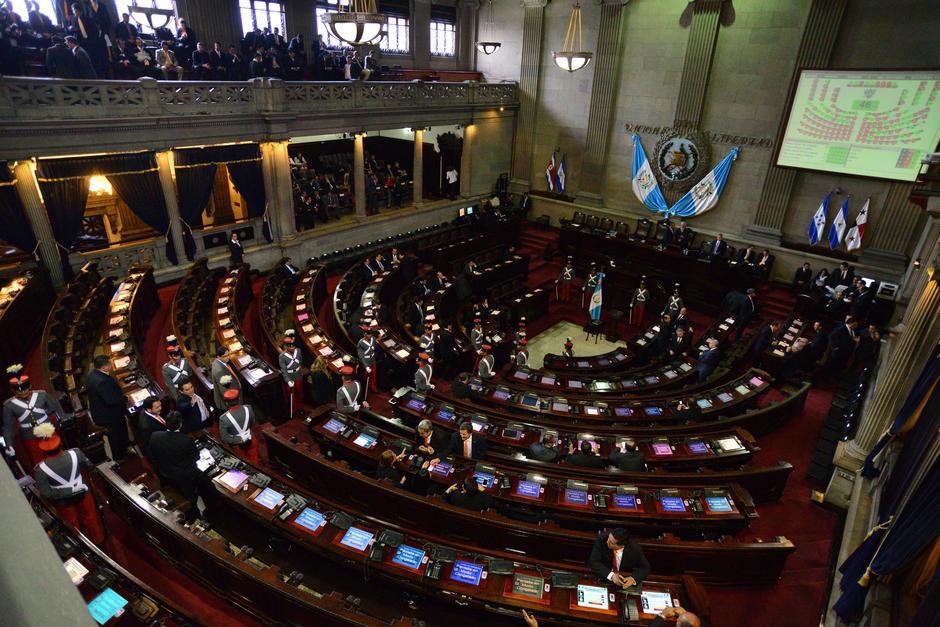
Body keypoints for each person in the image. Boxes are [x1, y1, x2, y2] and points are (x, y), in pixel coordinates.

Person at [32, 424, 104, 543]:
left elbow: (46, 493)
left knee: (72, 525)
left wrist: (65, 492)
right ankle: (98, 541)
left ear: (43, 449)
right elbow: (90, 466)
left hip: (63, 500)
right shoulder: (76, 453)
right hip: (82, 491)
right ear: (60, 443)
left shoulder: (40, 469)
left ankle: (81, 547)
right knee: (91, 519)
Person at [147, 411, 213, 525]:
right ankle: (193, 519)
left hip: (165, 474)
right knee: (191, 498)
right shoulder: (186, 440)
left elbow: (153, 456)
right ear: (180, 424)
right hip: (184, 477)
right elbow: (196, 457)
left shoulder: (155, 436)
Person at [4, 365, 66, 467]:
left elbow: (54, 408)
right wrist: (9, 444)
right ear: (13, 391)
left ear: (30, 386)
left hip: (49, 431)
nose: (23, 391)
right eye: (19, 390)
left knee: (59, 457)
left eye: (25, 388)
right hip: (30, 436)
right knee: (40, 462)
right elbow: (8, 427)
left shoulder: (42, 395)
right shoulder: (9, 405)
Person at [85, 355, 129, 461]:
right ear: (104, 367)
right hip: (110, 416)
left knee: (117, 436)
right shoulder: (103, 381)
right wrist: (125, 398)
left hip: (99, 411)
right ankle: (120, 457)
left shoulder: (92, 374)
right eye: (109, 364)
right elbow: (110, 400)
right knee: (117, 437)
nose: (111, 365)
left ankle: (122, 452)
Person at [219, 388, 258, 464]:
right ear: (239, 399)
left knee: (243, 465)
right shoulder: (248, 408)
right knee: (255, 463)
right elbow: (252, 422)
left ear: (226, 403)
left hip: (237, 446)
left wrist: (238, 439)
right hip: (250, 438)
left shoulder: (223, 418)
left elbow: (224, 437)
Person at [279, 330, 304, 411]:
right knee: (292, 395)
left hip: (298, 375)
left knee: (300, 392)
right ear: (286, 346)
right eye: (290, 347)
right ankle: (293, 410)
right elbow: (284, 370)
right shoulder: (282, 356)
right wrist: (288, 380)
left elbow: (300, 362)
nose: (292, 348)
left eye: (293, 346)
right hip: (290, 377)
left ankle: (300, 407)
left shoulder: (298, 350)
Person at [357, 327, 379, 392]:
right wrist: (366, 366)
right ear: (364, 334)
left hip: (373, 359)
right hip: (366, 361)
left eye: (370, 334)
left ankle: (373, 386)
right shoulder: (360, 343)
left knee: (373, 375)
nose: (370, 335)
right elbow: (361, 356)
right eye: (368, 334)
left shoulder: (373, 339)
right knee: (365, 376)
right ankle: (365, 388)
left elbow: (376, 348)